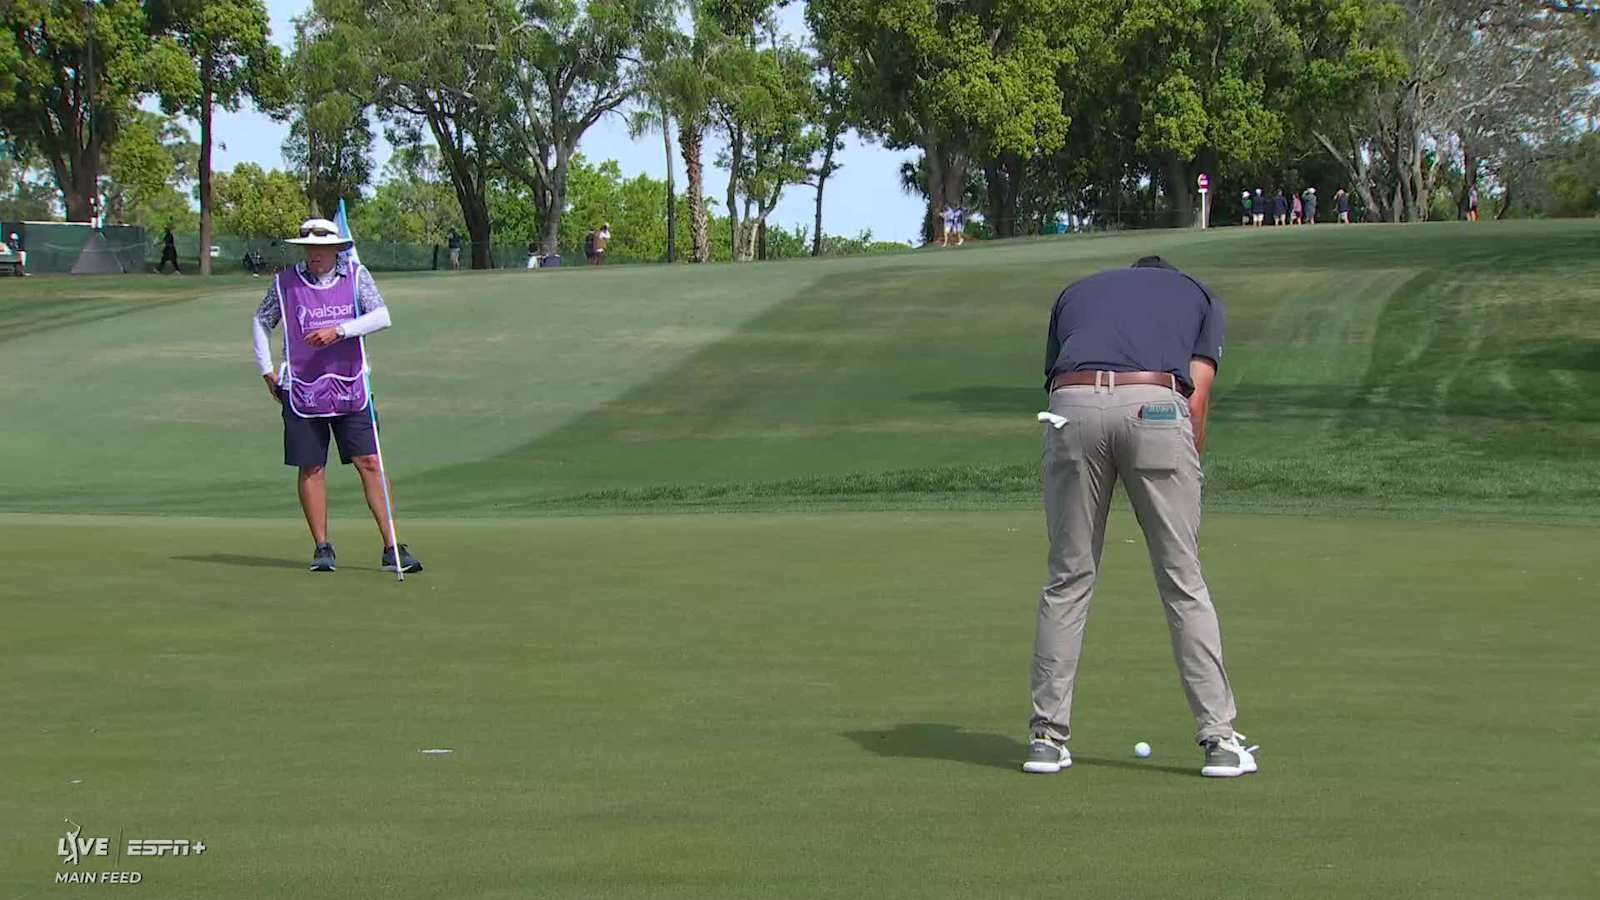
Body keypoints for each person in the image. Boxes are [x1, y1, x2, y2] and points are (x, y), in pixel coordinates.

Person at [1026, 254, 1254, 779]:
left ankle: (1045, 738)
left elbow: (1063, 378)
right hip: (1154, 404)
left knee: (1068, 578)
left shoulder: (1076, 289)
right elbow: (1196, 399)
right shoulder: (1197, 292)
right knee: (1182, 580)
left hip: (1072, 407)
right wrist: (1187, 465)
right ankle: (1219, 740)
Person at [250, 218, 423, 575]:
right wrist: (266, 369)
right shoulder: (285, 283)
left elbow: (382, 317)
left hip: (350, 385)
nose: (313, 253)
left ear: (335, 248)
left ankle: (392, 547)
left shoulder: (356, 276)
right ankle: (322, 547)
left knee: (370, 463)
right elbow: (261, 320)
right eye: (308, 247)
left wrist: (339, 331)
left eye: (320, 247)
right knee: (311, 467)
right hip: (302, 387)